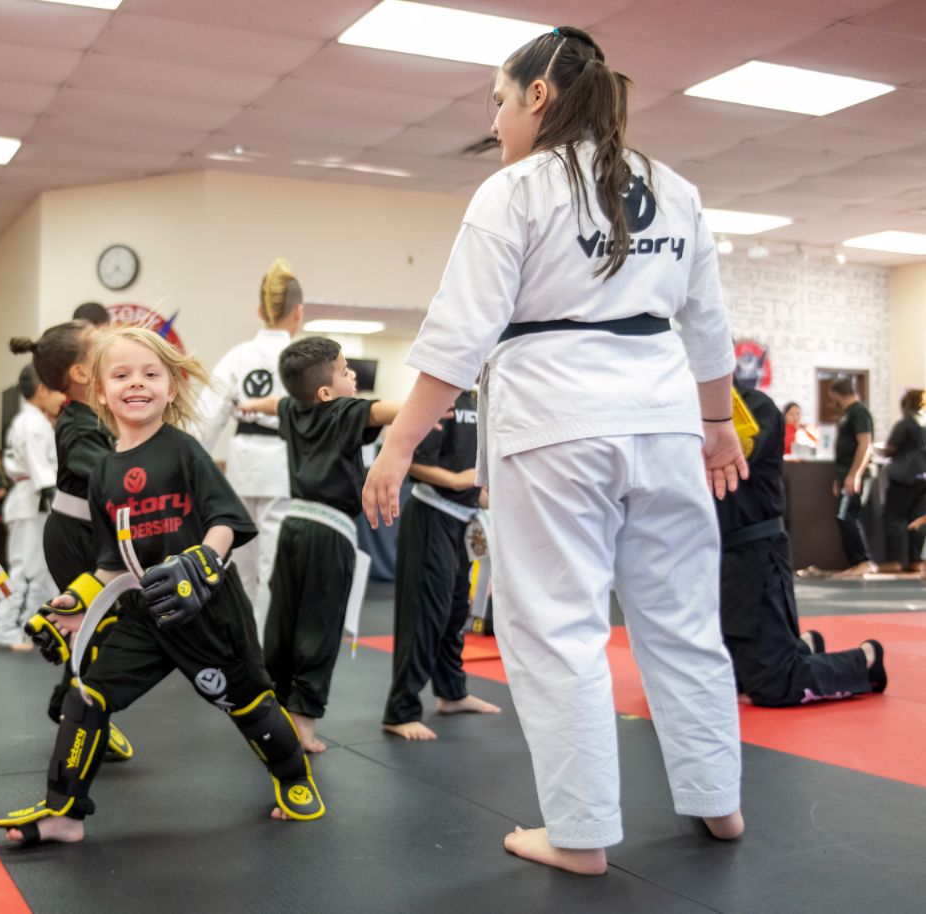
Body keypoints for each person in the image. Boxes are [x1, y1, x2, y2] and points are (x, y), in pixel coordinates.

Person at [363, 26, 746, 875]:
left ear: (538, 96)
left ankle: (578, 836)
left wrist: (396, 447)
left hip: (558, 420)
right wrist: (717, 426)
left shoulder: (515, 190)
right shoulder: (673, 188)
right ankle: (719, 803)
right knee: (684, 620)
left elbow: (456, 339)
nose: (495, 121)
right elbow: (709, 327)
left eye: (499, 100)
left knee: (559, 629)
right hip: (664, 417)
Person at [0, 326, 324, 847]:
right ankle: (64, 813)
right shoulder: (102, 472)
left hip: (209, 614)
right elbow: (109, 562)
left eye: (151, 374)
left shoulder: (184, 451)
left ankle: (294, 778)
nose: (136, 384)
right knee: (87, 694)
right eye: (121, 375)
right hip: (146, 615)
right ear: (100, 391)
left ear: (170, 387)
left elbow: (226, 522)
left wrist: (200, 561)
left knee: (250, 705)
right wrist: (75, 604)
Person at [244, 337, 399, 754]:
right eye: (346, 371)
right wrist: (433, 404)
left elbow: (269, 403)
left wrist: (246, 406)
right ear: (326, 392)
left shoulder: (294, 408)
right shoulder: (343, 409)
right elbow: (390, 411)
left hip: (293, 526)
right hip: (329, 534)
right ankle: (304, 726)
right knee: (319, 627)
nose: (354, 377)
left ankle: (271, 715)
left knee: (283, 624)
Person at [9, 322, 133, 761]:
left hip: (92, 533)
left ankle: (69, 703)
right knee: (100, 628)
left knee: (96, 625)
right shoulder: (76, 423)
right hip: (72, 536)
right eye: (99, 342)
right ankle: (82, 716)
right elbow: (102, 470)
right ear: (81, 373)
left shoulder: (98, 410)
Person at [720, 383, 886, 704]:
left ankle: (865, 660)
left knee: (774, 683)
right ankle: (799, 647)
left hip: (753, 556)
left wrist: (853, 474)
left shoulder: (755, 410)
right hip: (706, 560)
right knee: (715, 678)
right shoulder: (672, 402)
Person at [382, 389, 501, 740]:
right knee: (424, 612)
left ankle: (452, 692)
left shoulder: (480, 402)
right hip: (431, 512)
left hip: (464, 519)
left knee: (455, 609)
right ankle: (400, 710)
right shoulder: (440, 396)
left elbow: (474, 475)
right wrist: (456, 480)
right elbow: (409, 459)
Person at [193, 259, 302, 634]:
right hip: (283, 467)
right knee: (275, 567)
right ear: (298, 313)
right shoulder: (303, 360)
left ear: (260, 311)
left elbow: (206, 420)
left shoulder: (237, 356)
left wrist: (191, 469)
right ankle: (265, 648)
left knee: (239, 561)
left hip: (241, 465)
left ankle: (239, 641)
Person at [0, 364, 62, 650]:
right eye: (56, 388)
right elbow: (40, 469)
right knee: (27, 570)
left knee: (43, 571)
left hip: (33, 501)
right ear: (42, 389)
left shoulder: (34, 420)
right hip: (32, 500)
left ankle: (41, 624)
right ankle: (8, 630)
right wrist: (53, 496)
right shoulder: (32, 424)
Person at [828, 379, 875, 578]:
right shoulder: (848, 413)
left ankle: (863, 561)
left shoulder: (859, 412)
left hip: (855, 475)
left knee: (846, 516)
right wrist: (840, 477)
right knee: (845, 516)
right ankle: (858, 562)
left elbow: (865, 444)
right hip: (845, 473)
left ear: (837, 393)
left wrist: (854, 475)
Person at [878, 390, 926, 574]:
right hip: (923, 477)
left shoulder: (905, 424)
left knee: (893, 517)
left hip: (904, 476)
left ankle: (895, 560)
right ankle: (915, 561)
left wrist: (883, 451)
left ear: (906, 405)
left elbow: (891, 448)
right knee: (917, 519)